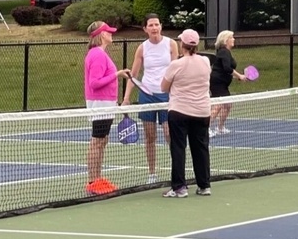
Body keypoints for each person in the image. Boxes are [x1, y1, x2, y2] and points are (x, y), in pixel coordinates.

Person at [121, 14, 178, 184]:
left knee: (170, 134)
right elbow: (134, 75)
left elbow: (176, 71)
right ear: (145, 29)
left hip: (166, 96)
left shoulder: (171, 44)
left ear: (161, 26)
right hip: (146, 95)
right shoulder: (142, 48)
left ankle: (177, 171)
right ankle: (152, 174)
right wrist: (126, 99)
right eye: (151, 25)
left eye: (157, 24)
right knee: (150, 137)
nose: (154, 28)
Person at [161, 29, 212, 198]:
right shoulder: (205, 61)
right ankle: (204, 186)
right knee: (201, 148)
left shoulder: (176, 64)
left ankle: (179, 188)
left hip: (179, 112)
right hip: (202, 112)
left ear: (182, 44)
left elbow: (164, 87)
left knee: (178, 148)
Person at [84, 22, 131, 195]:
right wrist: (117, 74)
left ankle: (97, 179)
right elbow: (94, 83)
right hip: (100, 104)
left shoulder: (99, 54)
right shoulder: (97, 55)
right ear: (101, 35)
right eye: (108, 32)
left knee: (102, 140)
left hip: (106, 103)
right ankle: (92, 181)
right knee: (97, 141)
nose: (111, 34)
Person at [209, 30, 247, 137]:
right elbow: (226, 68)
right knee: (218, 105)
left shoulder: (225, 52)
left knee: (228, 105)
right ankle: (205, 128)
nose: (234, 39)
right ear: (226, 40)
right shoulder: (224, 52)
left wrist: (236, 77)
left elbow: (224, 70)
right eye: (231, 37)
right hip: (217, 83)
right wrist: (239, 75)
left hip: (223, 82)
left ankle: (220, 127)